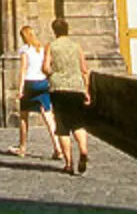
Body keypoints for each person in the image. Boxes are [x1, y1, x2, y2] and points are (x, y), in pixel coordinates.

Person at [43, 18, 91, 175]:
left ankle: (69, 164)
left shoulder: (51, 46)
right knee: (78, 123)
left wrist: (53, 73)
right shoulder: (76, 46)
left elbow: (45, 67)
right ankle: (83, 151)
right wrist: (87, 90)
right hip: (77, 87)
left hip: (58, 88)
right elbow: (84, 70)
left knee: (62, 127)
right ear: (67, 29)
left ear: (54, 31)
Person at [8, 25, 62, 159]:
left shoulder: (25, 50)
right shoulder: (41, 49)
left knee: (23, 116)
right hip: (43, 83)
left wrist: (20, 89)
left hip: (30, 84)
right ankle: (58, 148)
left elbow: (24, 69)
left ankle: (22, 147)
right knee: (48, 116)